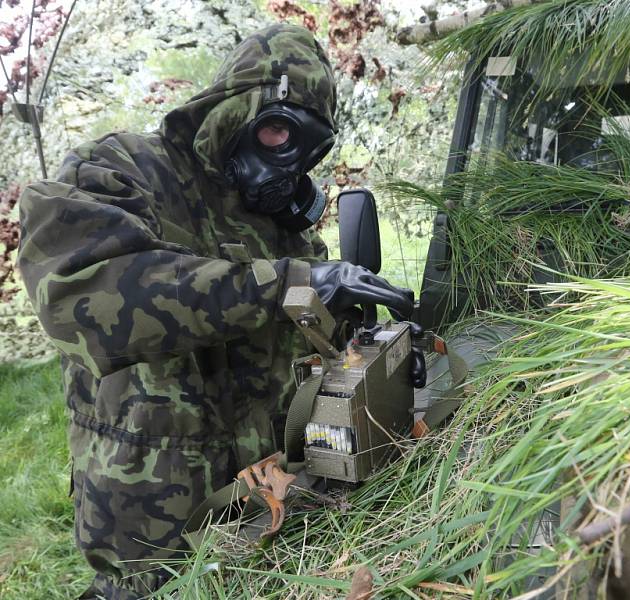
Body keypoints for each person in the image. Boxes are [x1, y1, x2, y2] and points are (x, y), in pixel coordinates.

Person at [17, 23, 420, 599]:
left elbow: (307, 345)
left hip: (268, 512)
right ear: (232, 111)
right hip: (154, 530)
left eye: (309, 149)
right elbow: (86, 298)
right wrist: (290, 285)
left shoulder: (283, 229)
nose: (288, 163)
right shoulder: (118, 171)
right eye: (278, 132)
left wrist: (371, 350)